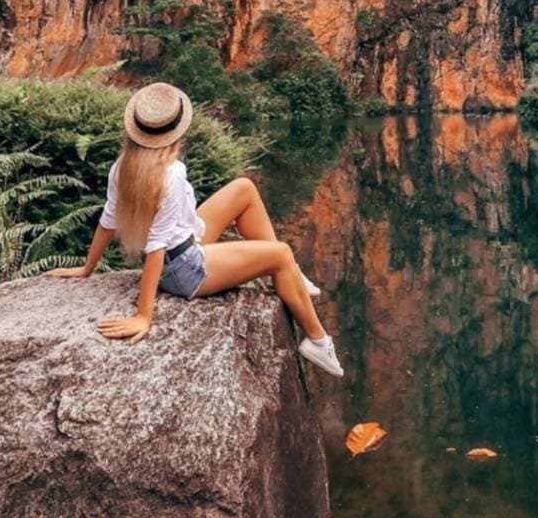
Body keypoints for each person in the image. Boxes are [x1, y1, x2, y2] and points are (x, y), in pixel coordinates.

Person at [48, 81, 343, 377]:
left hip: (182, 244)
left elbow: (108, 221)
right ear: (177, 133)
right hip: (185, 269)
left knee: (244, 188)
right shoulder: (170, 176)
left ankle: (294, 278)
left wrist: (88, 267)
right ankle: (318, 340)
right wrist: (143, 315)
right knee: (280, 254)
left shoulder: (123, 165)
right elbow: (156, 246)